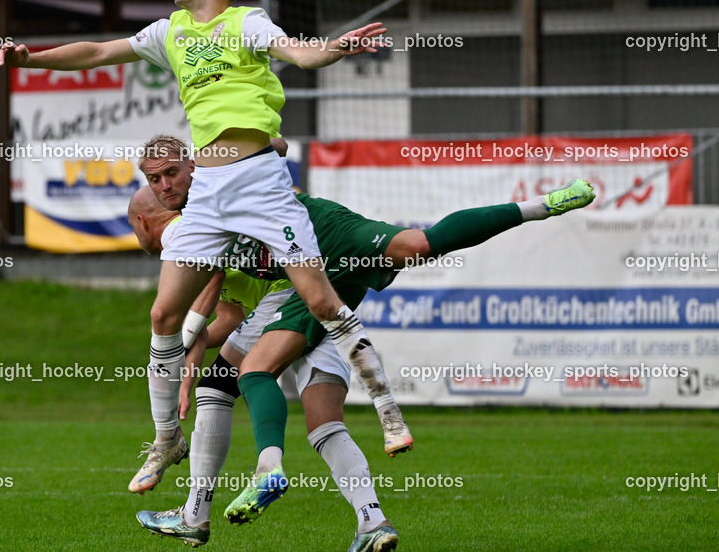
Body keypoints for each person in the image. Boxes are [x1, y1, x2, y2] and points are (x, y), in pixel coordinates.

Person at [0, 0, 406, 495]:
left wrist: (332, 49)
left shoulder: (246, 22)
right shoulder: (169, 32)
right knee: (164, 315)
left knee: (321, 301)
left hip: (259, 182)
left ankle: (385, 405)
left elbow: (296, 51)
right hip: (209, 189)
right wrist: (30, 58)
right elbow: (95, 52)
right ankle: (167, 439)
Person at [129, 137, 597, 526]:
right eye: (155, 179)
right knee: (263, 384)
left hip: (317, 240)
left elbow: (275, 144)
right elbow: (213, 297)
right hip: (298, 285)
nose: (166, 184)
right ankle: (366, 503)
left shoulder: (189, 214)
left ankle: (542, 206)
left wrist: (242, 150)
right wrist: (190, 355)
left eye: (172, 173)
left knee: (414, 245)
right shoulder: (197, 225)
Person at [128, 186, 399, 552]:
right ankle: (373, 523)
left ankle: (201, 510)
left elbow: (205, 293)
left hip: (289, 301)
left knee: (216, 389)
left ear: (142, 221)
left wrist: (183, 372)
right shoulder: (214, 223)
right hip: (308, 305)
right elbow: (230, 318)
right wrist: (192, 350)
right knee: (324, 423)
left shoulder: (188, 235)